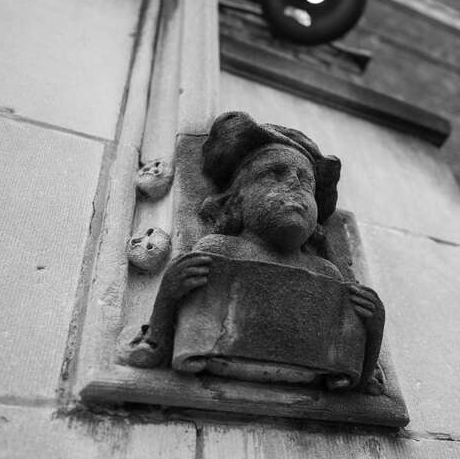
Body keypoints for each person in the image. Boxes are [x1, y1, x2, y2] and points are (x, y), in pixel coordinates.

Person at [128, 111, 384, 393]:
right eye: (273, 174)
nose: (294, 186)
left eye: (306, 181)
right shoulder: (218, 250)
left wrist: (373, 326)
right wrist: (169, 294)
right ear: (235, 201)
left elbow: (363, 381)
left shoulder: (326, 272)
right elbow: (155, 349)